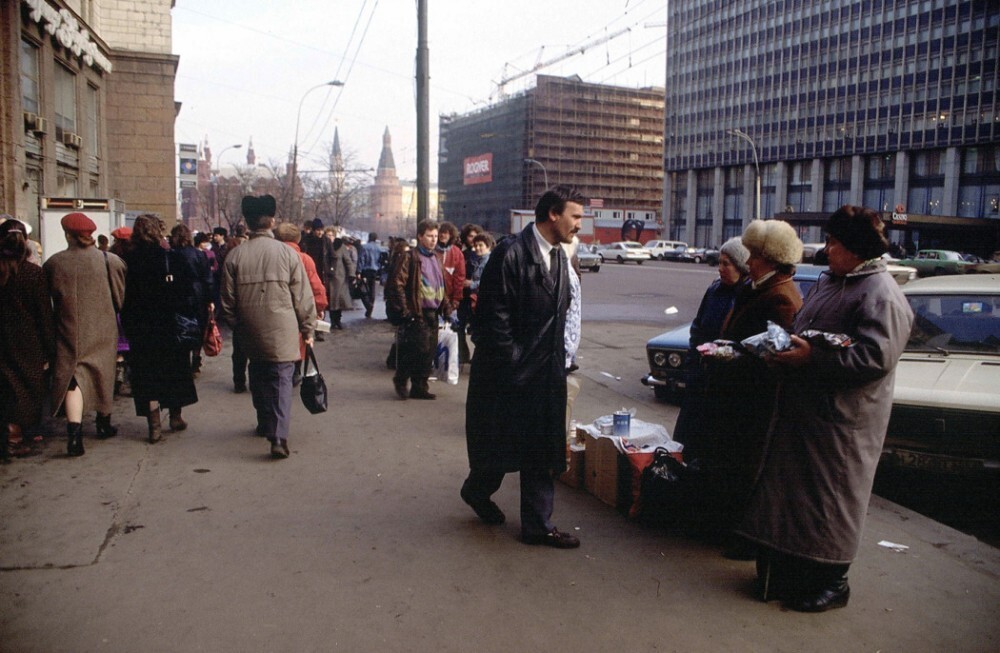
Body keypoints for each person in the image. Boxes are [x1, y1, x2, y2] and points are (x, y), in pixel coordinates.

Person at [738, 206, 914, 612]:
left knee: (833, 503)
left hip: (843, 424)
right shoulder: (832, 281)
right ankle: (795, 576)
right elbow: (806, 329)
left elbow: (874, 359)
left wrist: (810, 360)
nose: (827, 248)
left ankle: (834, 582)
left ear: (855, 247)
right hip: (808, 414)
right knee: (799, 501)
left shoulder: (880, 293)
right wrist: (783, 348)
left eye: (834, 242)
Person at [460, 185, 583, 548]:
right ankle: (476, 491)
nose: (579, 224)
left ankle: (537, 526)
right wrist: (514, 365)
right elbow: (492, 322)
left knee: (542, 453)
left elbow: (559, 318)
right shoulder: (509, 254)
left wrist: (561, 361)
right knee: (499, 449)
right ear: (553, 215)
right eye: (575, 216)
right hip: (508, 375)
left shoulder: (560, 257)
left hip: (546, 375)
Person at [221, 196, 316, 459]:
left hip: (249, 330)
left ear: (247, 223)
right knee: (282, 382)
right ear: (272, 221)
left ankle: (264, 422)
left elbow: (227, 302)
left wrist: (237, 324)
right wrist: (308, 329)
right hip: (283, 331)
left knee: (259, 376)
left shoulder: (235, 256)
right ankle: (279, 437)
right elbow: (303, 297)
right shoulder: (288, 254)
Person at [43, 212, 126, 457]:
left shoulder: (54, 263)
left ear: (68, 235)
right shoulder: (109, 260)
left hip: (68, 328)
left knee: (73, 377)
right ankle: (103, 422)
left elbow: (48, 299)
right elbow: (119, 298)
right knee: (103, 373)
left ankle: (75, 435)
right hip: (103, 327)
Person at [120, 217, 206, 442]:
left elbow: (125, 297)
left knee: (146, 375)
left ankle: (154, 424)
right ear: (158, 232)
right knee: (174, 371)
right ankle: (175, 416)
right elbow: (185, 291)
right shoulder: (170, 257)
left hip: (141, 327)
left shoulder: (128, 259)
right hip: (169, 325)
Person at [671, 237, 750, 455]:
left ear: (741, 266)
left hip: (723, 382)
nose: (721, 269)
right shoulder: (715, 289)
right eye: (720, 263)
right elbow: (698, 327)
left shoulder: (747, 294)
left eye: (727, 264)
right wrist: (692, 362)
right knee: (686, 438)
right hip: (700, 376)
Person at [0, 220, 55, 462]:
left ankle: (11, 435)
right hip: (26, 340)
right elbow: (44, 314)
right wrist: (50, 347)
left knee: (6, 386)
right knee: (26, 388)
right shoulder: (32, 273)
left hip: (4, 339)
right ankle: (15, 436)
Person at [385, 220, 450, 400]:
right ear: (420, 236)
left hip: (433, 311)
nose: (433, 240)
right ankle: (401, 379)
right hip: (417, 311)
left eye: (435, 236)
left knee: (428, 352)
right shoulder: (410, 257)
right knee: (416, 349)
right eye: (429, 236)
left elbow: (441, 284)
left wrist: (446, 307)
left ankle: (420, 386)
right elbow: (397, 284)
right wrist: (405, 311)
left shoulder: (436, 257)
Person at [274, 222, 327, 385]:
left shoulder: (271, 257)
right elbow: (315, 285)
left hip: (274, 306)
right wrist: (319, 306)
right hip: (298, 307)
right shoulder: (305, 259)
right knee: (299, 339)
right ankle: (296, 369)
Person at [327, 232, 356, 329]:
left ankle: (337, 320)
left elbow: (348, 261)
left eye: (331, 235)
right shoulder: (324, 245)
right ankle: (332, 320)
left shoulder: (340, 246)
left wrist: (351, 274)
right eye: (328, 235)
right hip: (327, 278)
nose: (329, 237)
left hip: (340, 278)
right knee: (330, 301)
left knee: (338, 300)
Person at [357, 232, 382, 318]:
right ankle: (370, 306)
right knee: (372, 289)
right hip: (375, 270)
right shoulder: (379, 248)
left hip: (366, 270)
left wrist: (359, 271)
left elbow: (361, 259)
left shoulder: (364, 247)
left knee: (364, 289)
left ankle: (368, 305)